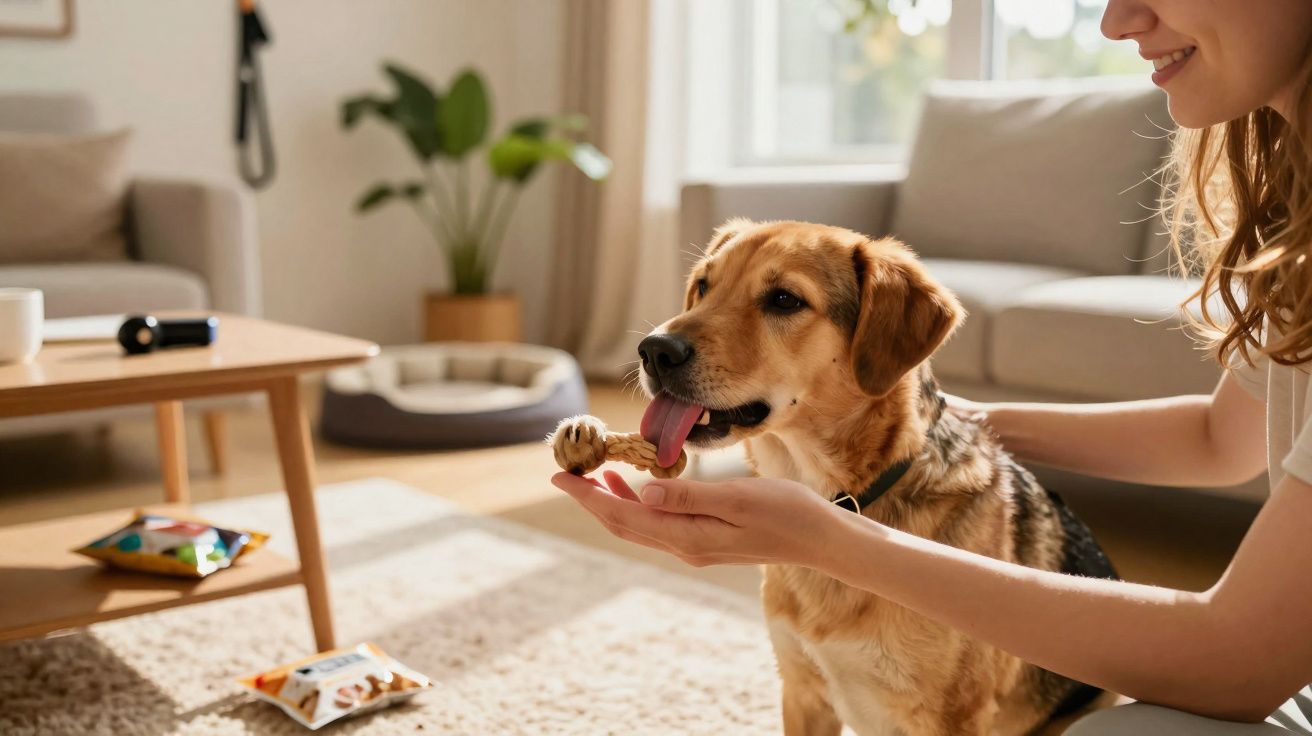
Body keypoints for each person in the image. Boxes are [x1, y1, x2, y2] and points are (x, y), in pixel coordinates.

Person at [551, 1, 1312, 732]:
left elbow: (1241, 660)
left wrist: (818, 538)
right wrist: (974, 424)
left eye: (781, 302)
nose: (1114, 20)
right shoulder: (1295, 243)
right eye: (706, 289)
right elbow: (1223, 438)